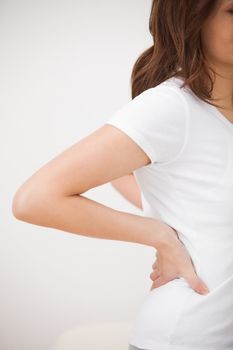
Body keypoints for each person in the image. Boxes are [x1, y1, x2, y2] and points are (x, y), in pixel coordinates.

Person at [12, 0, 233, 349]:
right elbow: (34, 199)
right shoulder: (171, 108)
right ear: (193, 20)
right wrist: (159, 234)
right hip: (187, 338)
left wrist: (172, 214)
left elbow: (190, 192)